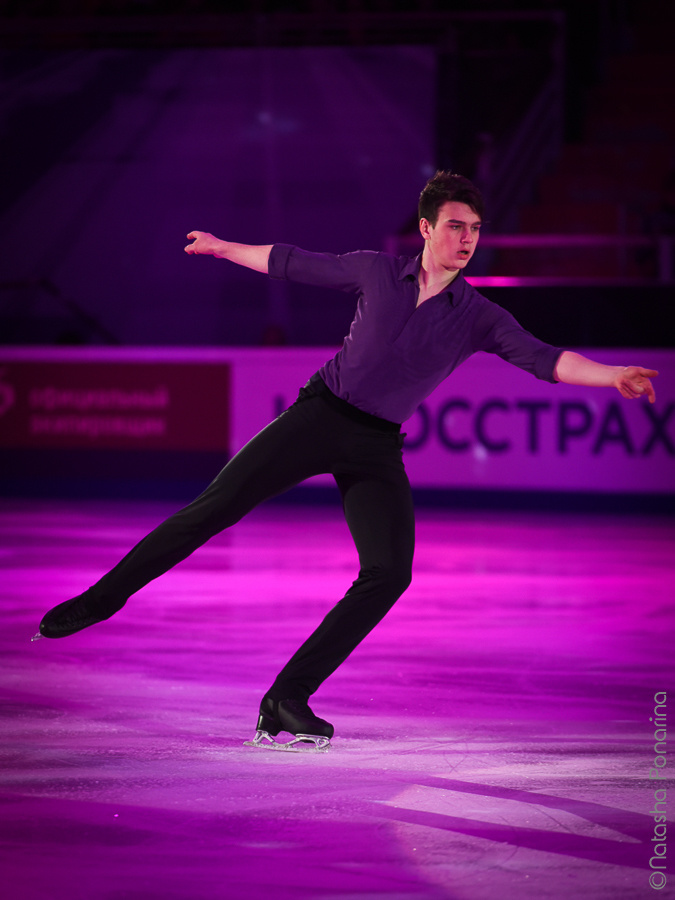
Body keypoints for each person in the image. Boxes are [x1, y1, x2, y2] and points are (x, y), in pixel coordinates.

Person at [35, 172, 658, 750]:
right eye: (454, 226)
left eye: (474, 228)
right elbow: (292, 263)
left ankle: (286, 698)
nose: (466, 239)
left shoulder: (479, 317)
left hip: (376, 444)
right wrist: (226, 248)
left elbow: (544, 358)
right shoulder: (376, 272)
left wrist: (611, 377)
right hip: (319, 414)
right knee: (215, 507)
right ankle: (101, 599)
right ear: (426, 229)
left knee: (389, 572)